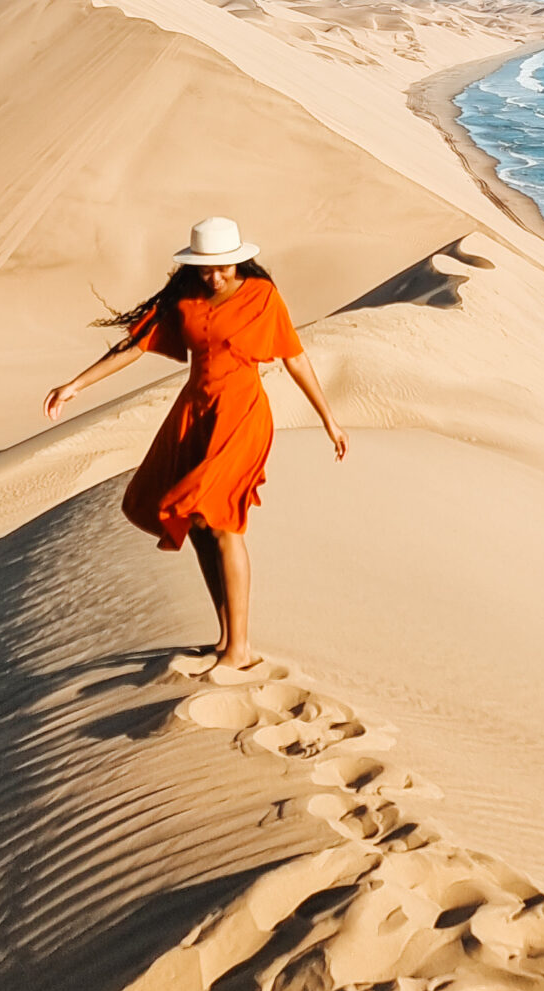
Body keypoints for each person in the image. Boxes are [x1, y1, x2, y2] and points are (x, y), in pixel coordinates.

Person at [43, 215, 347, 674]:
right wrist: (75, 385)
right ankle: (226, 639)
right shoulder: (184, 296)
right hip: (195, 413)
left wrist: (330, 419)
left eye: (224, 266)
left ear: (240, 260)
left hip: (242, 415)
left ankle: (240, 649)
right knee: (199, 523)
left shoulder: (262, 297)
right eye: (207, 267)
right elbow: (133, 346)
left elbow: (295, 356)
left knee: (223, 521)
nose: (216, 275)